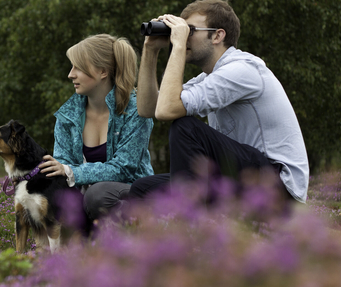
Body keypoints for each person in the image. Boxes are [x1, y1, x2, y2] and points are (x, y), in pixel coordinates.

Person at [130, 0, 309, 204]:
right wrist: (151, 50)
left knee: (186, 127)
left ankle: (190, 223)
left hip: (278, 186)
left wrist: (178, 46)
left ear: (217, 35)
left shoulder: (242, 70)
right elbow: (148, 109)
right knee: (143, 188)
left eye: (189, 30)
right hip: (242, 175)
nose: (180, 36)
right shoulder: (209, 77)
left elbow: (167, 110)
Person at [39, 34, 154, 220]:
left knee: (98, 195)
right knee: (58, 197)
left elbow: (123, 169)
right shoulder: (67, 115)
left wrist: (71, 172)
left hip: (130, 193)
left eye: (79, 67)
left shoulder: (136, 110)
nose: (71, 74)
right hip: (88, 199)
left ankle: (137, 238)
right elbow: (62, 166)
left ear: (103, 71)